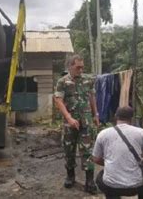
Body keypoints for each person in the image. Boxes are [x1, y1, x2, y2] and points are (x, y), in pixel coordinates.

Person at [53, 54, 99, 194]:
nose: (80, 70)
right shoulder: (63, 82)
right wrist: (69, 118)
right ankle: (70, 176)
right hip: (70, 123)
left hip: (86, 122)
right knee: (69, 149)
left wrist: (95, 114)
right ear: (70, 66)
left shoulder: (88, 80)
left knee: (87, 150)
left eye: (82, 67)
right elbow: (58, 100)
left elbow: (91, 97)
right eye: (78, 67)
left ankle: (89, 181)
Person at [92, 106, 143, 199]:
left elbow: (96, 158)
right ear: (131, 118)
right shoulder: (140, 132)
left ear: (115, 117)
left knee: (100, 178)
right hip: (136, 186)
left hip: (112, 185)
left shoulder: (103, 134)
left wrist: (110, 162)